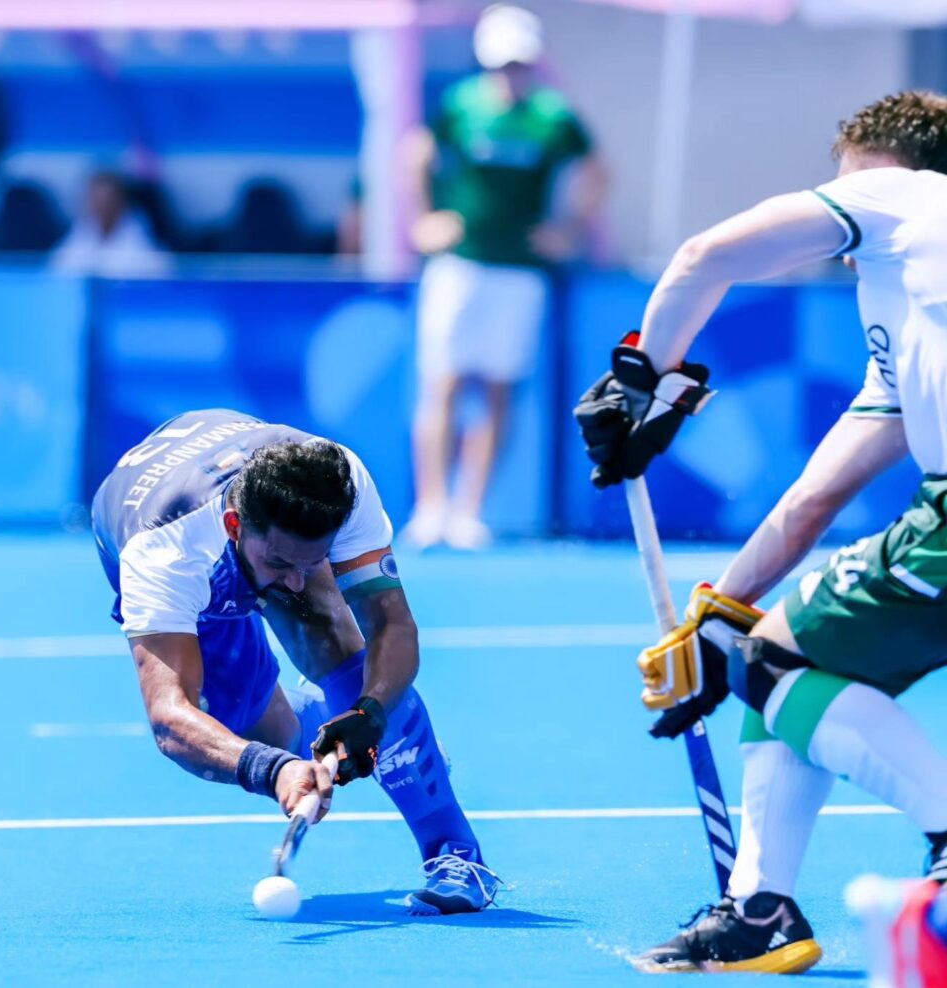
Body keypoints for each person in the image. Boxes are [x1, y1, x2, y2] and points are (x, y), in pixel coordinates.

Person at [573, 90, 947, 973]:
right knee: (768, 645)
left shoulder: (908, 198)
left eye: (843, 191)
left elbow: (707, 255)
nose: (837, 228)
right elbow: (810, 503)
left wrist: (643, 378)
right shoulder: (916, 328)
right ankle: (758, 910)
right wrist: (717, 614)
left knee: (772, 662)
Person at [91, 409, 501, 915]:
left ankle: (456, 853)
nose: (296, 583)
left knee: (340, 648)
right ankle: (318, 726)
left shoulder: (340, 483)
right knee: (238, 724)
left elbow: (392, 627)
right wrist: (277, 770)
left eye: (314, 562)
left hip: (234, 489)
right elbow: (170, 720)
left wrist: (369, 713)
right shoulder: (165, 554)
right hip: (147, 518)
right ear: (235, 526)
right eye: (281, 564)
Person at [403, 3, 606, 549]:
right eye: (502, 63)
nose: (510, 74)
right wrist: (423, 218)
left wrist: (570, 227)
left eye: (519, 62)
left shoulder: (554, 117)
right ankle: (432, 506)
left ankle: (469, 510)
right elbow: (417, 153)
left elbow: (595, 171)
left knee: (497, 389)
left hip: (519, 272)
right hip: (461, 264)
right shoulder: (459, 104)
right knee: (443, 381)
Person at [51, 170, 169, 277]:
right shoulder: (81, 231)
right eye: (96, 199)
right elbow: (57, 270)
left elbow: (160, 274)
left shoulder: (142, 236)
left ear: (121, 201)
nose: (102, 206)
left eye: (107, 200)